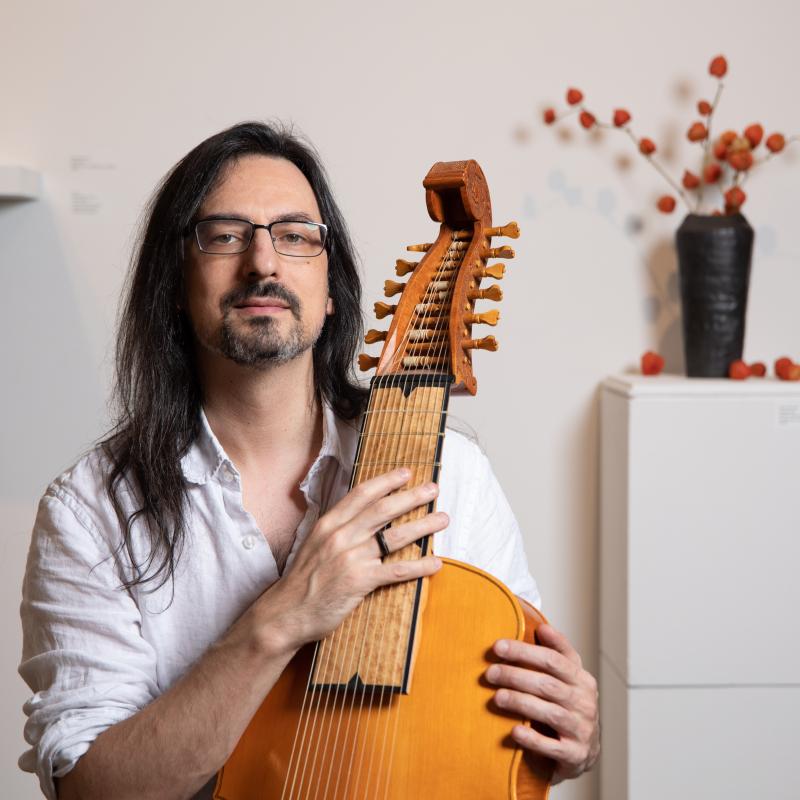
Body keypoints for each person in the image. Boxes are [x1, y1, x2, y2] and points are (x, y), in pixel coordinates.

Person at [19, 121, 599, 800]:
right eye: (226, 234)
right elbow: (93, 791)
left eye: (295, 236)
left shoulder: (452, 473)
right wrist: (281, 618)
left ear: (332, 293)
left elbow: (510, 733)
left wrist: (568, 732)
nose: (263, 262)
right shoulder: (90, 512)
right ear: (175, 285)